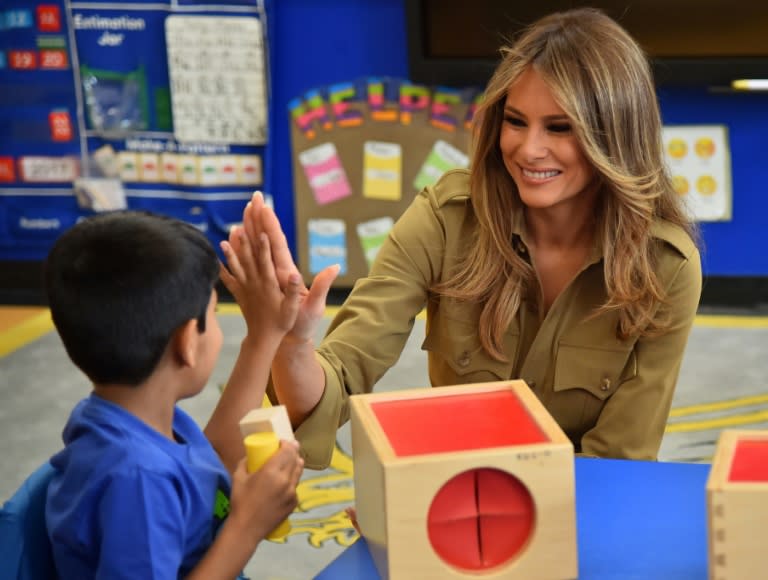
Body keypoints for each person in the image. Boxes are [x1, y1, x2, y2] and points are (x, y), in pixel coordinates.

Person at [247, 7, 703, 467]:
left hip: (581, 507)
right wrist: (291, 343)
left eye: (560, 127)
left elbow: (618, 460)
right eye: (516, 121)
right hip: (457, 492)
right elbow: (336, 384)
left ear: (616, 135)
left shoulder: (666, 266)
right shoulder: (444, 219)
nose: (528, 149)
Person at [43, 207, 305, 579]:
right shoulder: (136, 482)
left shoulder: (126, 417)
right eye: (214, 314)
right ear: (187, 341)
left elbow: (206, 463)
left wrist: (265, 334)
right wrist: (247, 526)